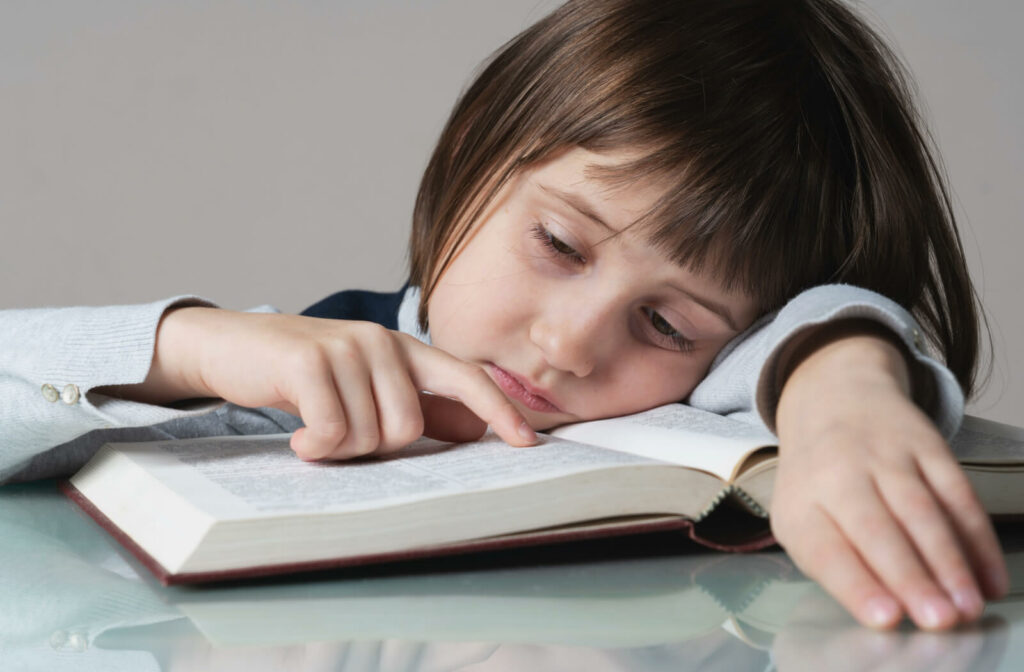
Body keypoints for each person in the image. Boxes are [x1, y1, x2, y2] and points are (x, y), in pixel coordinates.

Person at [0, 0, 1007, 632]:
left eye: (666, 326)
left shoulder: (702, 426)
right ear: (474, 150)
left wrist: (843, 380)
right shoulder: (282, 374)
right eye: (560, 246)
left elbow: (820, 318)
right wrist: (190, 343)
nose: (569, 345)